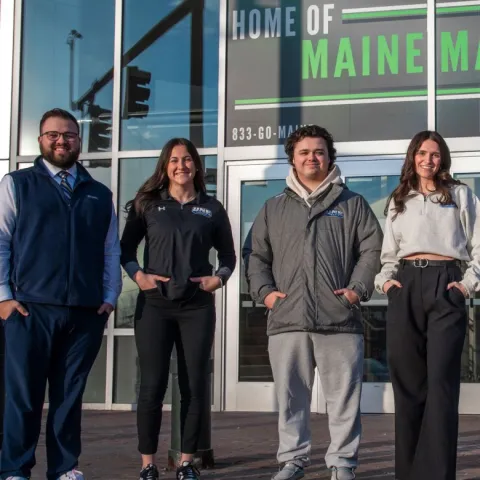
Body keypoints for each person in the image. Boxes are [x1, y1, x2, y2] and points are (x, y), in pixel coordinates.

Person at [244, 125, 383, 480]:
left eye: (319, 152)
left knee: (343, 401)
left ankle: (342, 464)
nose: (312, 157)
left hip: (339, 318)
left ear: (329, 158)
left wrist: (356, 290)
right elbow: (255, 256)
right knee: (291, 400)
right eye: (304, 152)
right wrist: (266, 294)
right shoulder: (273, 208)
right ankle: (292, 460)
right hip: (287, 319)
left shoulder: (352, 204)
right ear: (293, 158)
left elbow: (372, 249)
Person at [0, 108, 122, 480]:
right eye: (53, 134)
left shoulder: (99, 194)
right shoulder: (16, 184)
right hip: (28, 309)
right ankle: (15, 469)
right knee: (23, 396)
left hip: (84, 312)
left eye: (69, 135)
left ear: (78, 142)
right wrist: (4, 295)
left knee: (69, 399)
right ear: (40, 140)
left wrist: (110, 295)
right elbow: (2, 241)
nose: (61, 140)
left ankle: (65, 468)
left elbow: (110, 249)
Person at [120, 138, 236, 480]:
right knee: (151, 386)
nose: (181, 165)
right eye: (174, 160)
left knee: (194, 385)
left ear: (197, 166)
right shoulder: (148, 204)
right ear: (165, 166)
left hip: (197, 307)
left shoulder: (211, 208)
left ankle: (187, 462)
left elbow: (228, 256)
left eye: (187, 159)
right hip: (155, 306)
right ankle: (148, 464)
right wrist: (138, 276)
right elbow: (125, 249)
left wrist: (220, 279)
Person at [374, 130, 480, 480]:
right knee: (408, 385)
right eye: (422, 153)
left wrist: (466, 286)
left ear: (443, 158)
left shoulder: (460, 195)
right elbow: (389, 253)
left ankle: (436, 474)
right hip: (406, 285)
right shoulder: (399, 198)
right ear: (412, 156)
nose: (428, 160)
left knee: (441, 384)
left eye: (435, 154)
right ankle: (409, 473)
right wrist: (387, 283)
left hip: (445, 283)